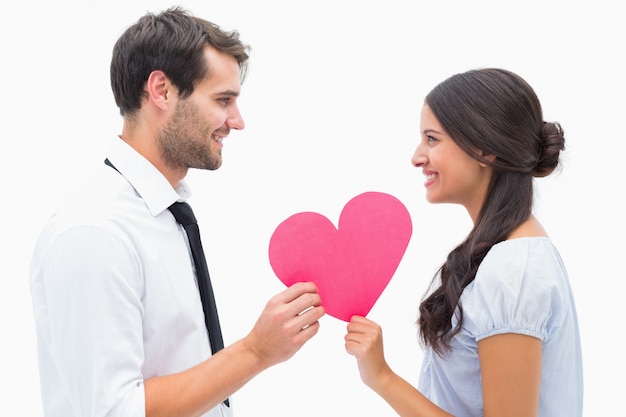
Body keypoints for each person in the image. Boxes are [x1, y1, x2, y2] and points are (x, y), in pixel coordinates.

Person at [29, 7, 325, 417]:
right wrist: (255, 352)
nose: (237, 122)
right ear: (162, 91)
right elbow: (114, 411)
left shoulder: (166, 214)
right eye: (223, 100)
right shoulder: (93, 230)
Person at [344, 68, 583, 417]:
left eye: (432, 139)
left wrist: (382, 377)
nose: (417, 156)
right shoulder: (514, 252)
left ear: (484, 149)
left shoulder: (512, 271)